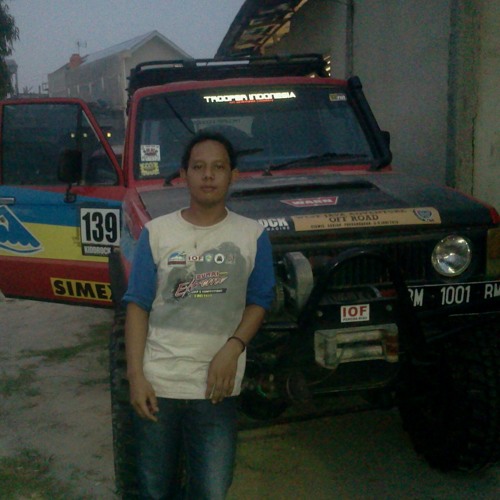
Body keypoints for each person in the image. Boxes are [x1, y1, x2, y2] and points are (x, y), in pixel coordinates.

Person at [123, 131, 275, 499]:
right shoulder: (157, 233)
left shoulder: (252, 236)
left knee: (211, 490)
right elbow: (137, 306)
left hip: (216, 389)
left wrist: (233, 348)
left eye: (218, 167)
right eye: (199, 167)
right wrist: (136, 377)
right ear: (184, 175)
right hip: (159, 384)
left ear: (233, 175)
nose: (208, 175)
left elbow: (259, 301)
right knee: (154, 489)